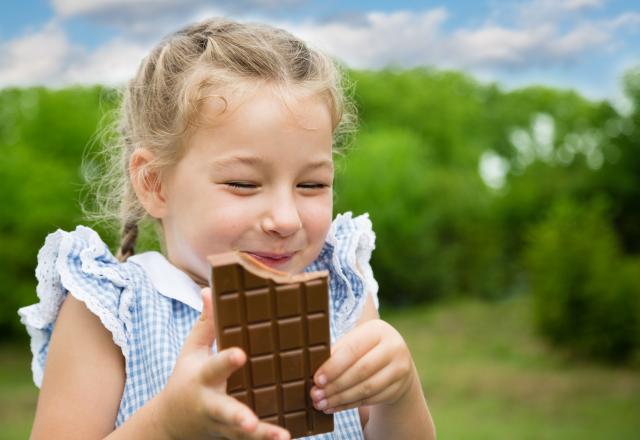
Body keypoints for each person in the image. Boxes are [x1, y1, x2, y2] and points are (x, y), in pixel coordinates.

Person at [18, 18, 436, 440]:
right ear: (155, 184)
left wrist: (401, 394)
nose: (286, 219)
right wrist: (165, 425)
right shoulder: (110, 312)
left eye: (311, 184)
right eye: (243, 184)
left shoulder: (340, 293)